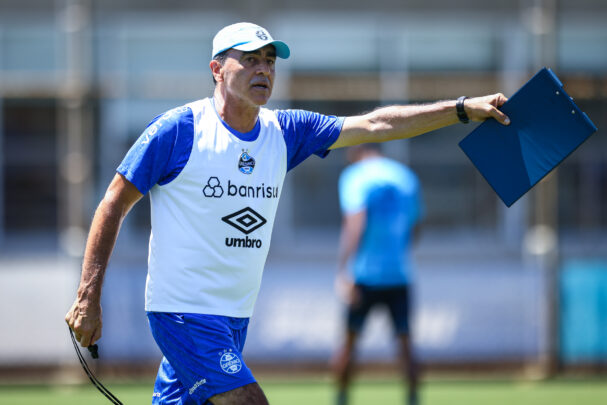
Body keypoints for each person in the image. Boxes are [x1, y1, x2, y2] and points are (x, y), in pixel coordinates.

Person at [65, 21, 510, 405]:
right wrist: (88, 297)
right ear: (217, 70)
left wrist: (460, 110)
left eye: (270, 61)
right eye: (250, 60)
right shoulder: (179, 130)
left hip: (234, 317)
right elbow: (112, 204)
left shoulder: (285, 131)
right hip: (184, 314)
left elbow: (376, 123)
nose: (264, 69)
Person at [333, 143, 423, 405]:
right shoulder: (405, 176)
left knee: (349, 342)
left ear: (355, 151)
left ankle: (341, 397)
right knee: (405, 342)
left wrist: (344, 270)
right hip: (399, 274)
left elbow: (355, 224)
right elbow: (415, 226)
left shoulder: (355, 176)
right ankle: (413, 397)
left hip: (364, 275)